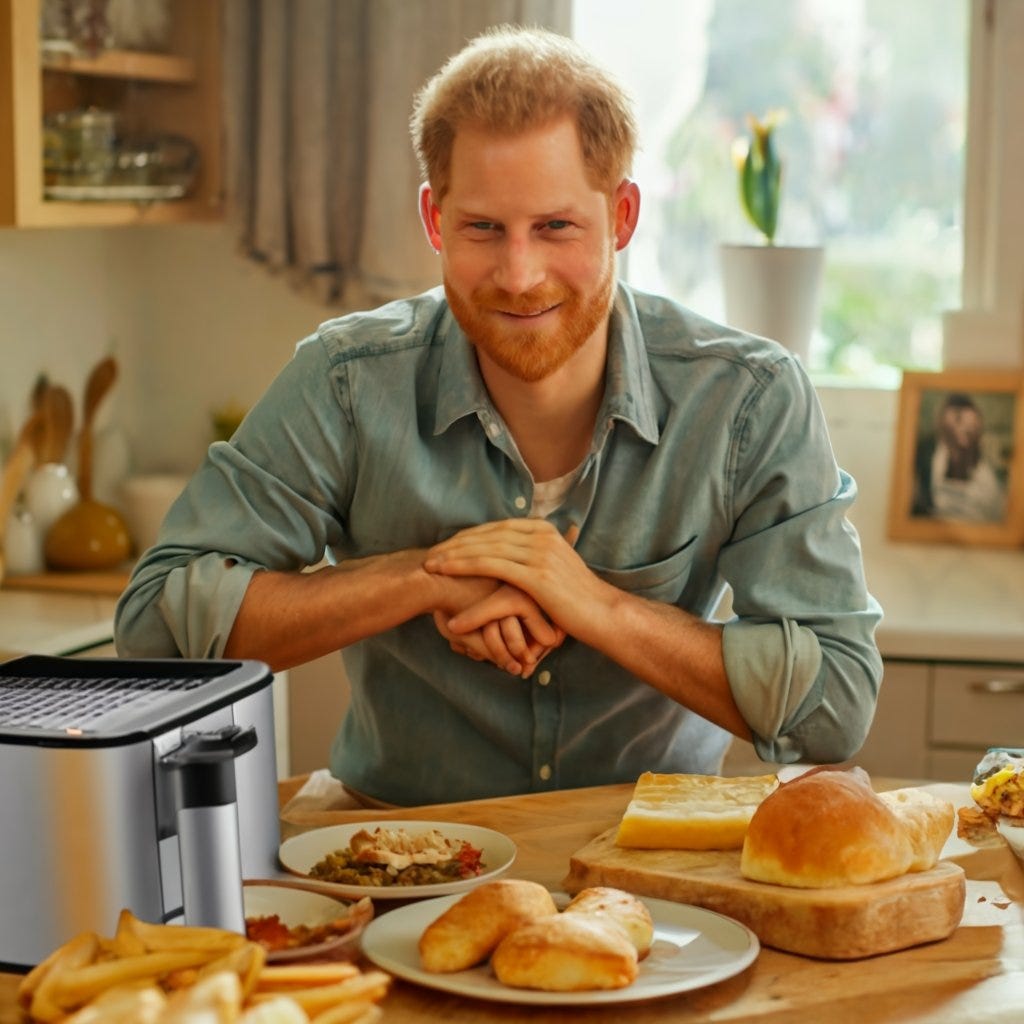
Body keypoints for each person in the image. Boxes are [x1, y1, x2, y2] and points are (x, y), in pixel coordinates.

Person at [115, 25, 882, 806]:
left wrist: (593, 604)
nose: (519, 275)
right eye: (483, 228)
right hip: (393, 844)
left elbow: (836, 704)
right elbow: (154, 628)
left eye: (556, 227)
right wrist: (426, 577)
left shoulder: (750, 398)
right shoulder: (345, 381)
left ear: (621, 216)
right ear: (434, 220)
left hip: (653, 863)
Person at [911, 391, 1007, 524]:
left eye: (972, 426)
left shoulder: (987, 477)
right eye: (958, 419)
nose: (966, 429)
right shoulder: (926, 455)